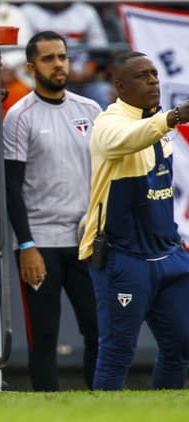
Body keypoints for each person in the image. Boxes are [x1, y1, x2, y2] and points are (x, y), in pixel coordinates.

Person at [79, 52, 189, 391]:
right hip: (122, 256)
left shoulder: (155, 122)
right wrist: (171, 118)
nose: (153, 81)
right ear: (120, 86)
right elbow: (129, 139)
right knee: (117, 353)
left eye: (155, 74)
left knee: (181, 347)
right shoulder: (108, 124)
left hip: (165, 254)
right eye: (143, 76)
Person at [3, 31, 101, 391]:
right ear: (31, 67)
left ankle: (101, 405)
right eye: (48, 58)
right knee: (44, 333)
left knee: (98, 328)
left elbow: (105, 175)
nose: (58, 64)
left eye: (62, 56)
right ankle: (47, 407)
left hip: (86, 240)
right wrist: (26, 245)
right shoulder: (19, 115)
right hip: (40, 242)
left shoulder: (91, 111)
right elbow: (12, 186)